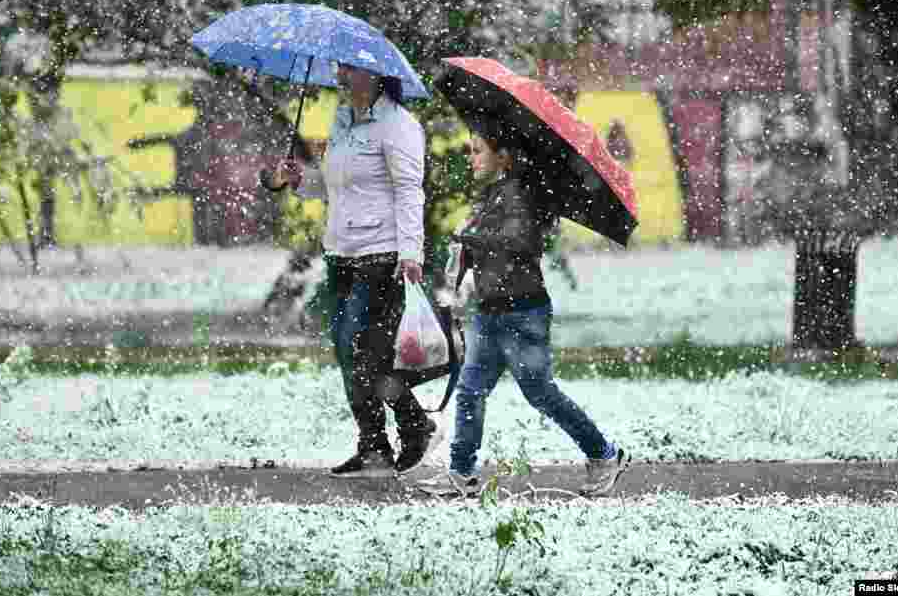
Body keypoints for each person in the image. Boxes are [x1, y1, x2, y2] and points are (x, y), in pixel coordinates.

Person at [422, 134, 628, 497]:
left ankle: (604, 455)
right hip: (491, 310)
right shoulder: (494, 194)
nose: (471, 158)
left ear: (503, 157)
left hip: (521, 312)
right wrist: (465, 252)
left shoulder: (520, 193)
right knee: (471, 391)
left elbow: (519, 242)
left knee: (541, 394)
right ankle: (461, 473)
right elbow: (493, 247)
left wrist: (472, 240)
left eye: (478, 150)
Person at [267, 62, 440, 478]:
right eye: (339, 69)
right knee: (352, 356)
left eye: (350, 70)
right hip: (340, 254)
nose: (340, 76)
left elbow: (408, 192)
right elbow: (332, 186)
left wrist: (410, 252)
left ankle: (402, 431)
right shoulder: (343, 120)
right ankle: (380, 444)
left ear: (378, 75)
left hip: (381, 257)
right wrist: (298, 179)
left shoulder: (398, 125)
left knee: (361, 352)